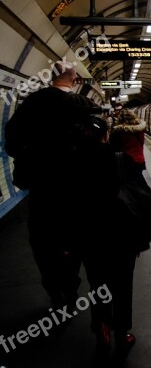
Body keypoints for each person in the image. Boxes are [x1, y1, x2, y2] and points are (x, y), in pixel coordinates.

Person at [4, 61, 98, 310]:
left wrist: (30, 158)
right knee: (76, 237)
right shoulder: (85, 106)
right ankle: (71, 286)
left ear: (51, 78)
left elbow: (11, 139)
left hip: (42, 189)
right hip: (79, 191)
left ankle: (54, 287)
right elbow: (100, 148)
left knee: (43, 240)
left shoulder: (31, 103)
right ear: (75, 80)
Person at [76, 117, 140, 362]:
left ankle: (102, 332)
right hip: (121, 236)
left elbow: (64, 206)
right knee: (123, 286)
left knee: (97, 286)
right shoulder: (120, 159)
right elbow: (141, 197)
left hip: (89, 238)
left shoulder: (71, 163)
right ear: (106, 135)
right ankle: (122, 334)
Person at [111, 109, 147, 187]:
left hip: (125, 160)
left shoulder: (118, 131)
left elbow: (115, 147)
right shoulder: (139, 129)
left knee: (129, 182)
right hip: (139, 159)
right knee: (138, 179)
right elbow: (141, 143)